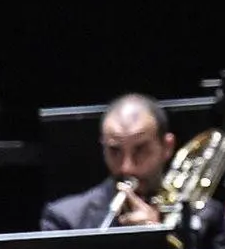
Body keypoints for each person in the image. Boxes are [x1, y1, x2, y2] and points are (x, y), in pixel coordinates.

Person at [40, 94, 177, 231]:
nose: (127, 168)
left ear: (167, 147)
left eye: (140, 150)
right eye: (115, 151)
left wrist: (158, 237)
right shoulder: (65, 220)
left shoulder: (196, 212)